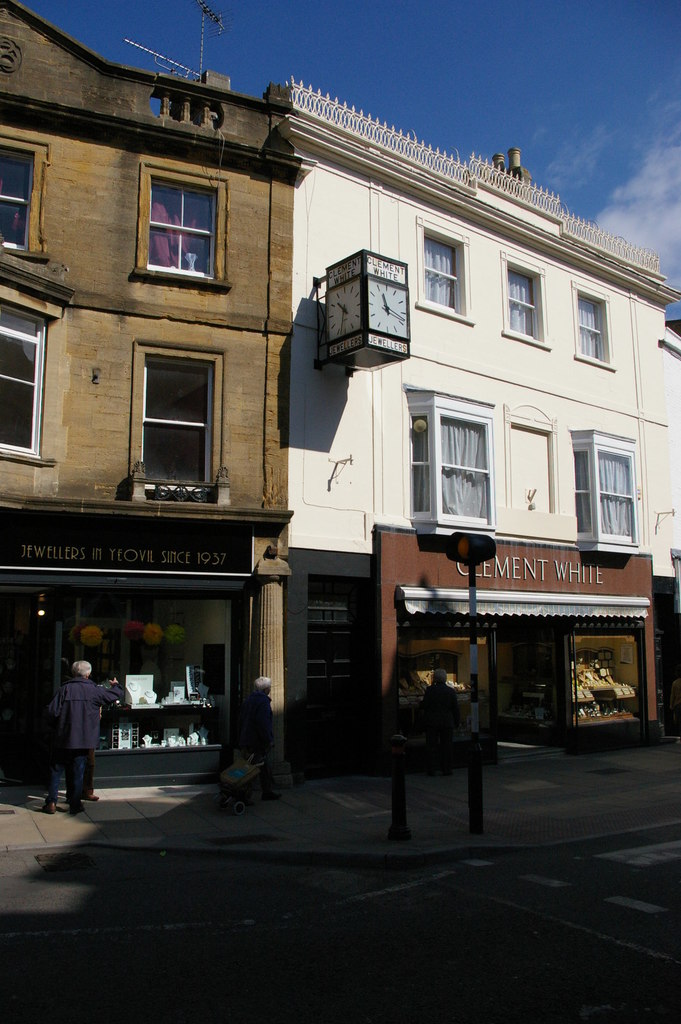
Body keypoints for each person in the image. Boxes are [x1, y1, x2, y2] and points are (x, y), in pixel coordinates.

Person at [43, 660, 123, 815]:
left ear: (74, 673)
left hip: (63, 737)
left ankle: (52, 802)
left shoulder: (64, 689)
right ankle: (75, 803)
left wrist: (56, 727)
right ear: (88, 674)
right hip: (83, 739)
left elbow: (51, 712)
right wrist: (116, 685)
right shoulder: (94, 690)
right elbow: (116, 695)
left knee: (56, 770)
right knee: (78, 772)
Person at [237, 676, 281, 800]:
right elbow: (263, 724)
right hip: (256, 742)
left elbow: (240, 720)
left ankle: (267, 791)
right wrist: (268, 740)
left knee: (263, 767)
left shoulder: (248, 700)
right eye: (270, 687)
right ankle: (243, 795)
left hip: (246, 739)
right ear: (267, 689)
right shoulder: (263, 703)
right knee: (251, 770)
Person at [421, 667, 460, 776]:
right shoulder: (450, 691)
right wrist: (457, 722)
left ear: (435, 678)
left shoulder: (430, 690)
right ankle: (446, 769)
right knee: (447, 746)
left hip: (432, 722)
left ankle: (431, 769)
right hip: (447, 722)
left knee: (431, 746)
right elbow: (455, 708)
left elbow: (425, 705)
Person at [669, 665, 681, 738]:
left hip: (678, 704)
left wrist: (671, 705)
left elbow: (672, 695)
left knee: (679, 721)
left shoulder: (675, 683)